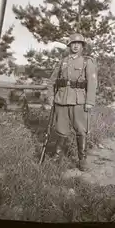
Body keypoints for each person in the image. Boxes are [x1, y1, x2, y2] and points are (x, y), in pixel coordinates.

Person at [46, 33, 97, 171]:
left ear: (82, 46)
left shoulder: (87, 61)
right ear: (69, 46)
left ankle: (82, 159)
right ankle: (57, 156)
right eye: (72, 44)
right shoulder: (62, 61)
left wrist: (89, 101)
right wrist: (50, 97)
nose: (75, 46)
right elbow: (51, 81)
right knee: (61, 129)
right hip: (61, 100)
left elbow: (92, 83)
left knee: (81, 130)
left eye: (78, 44)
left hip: (79, 101)